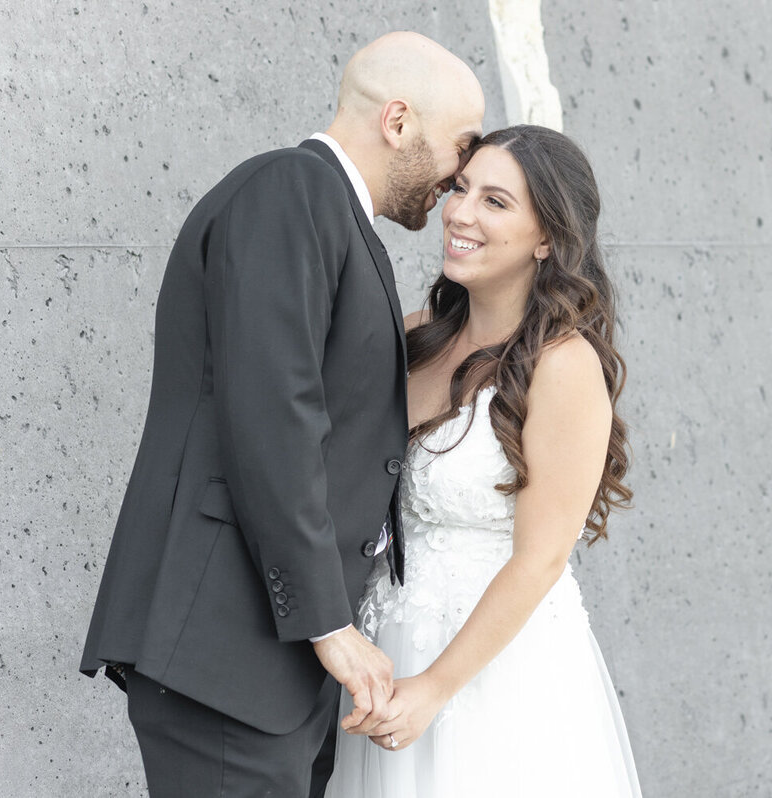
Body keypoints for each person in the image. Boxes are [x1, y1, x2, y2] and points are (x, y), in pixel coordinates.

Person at [79, 32, 484, 797]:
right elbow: (273, 412)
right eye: (459, 147)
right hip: (228, 656)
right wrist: (330, 626)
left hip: (268, 671)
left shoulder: (331, 214)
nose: (459, 175)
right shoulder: (291, 189)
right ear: (398, 121)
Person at [324, 125, 642, 797]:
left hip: (491, 671)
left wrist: (434, 688)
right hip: (385, 646)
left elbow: (541, 558)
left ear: (547, 238)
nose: (460, 213)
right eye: (461, 188)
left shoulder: (564, 365)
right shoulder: (412, 335)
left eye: (496, 202)